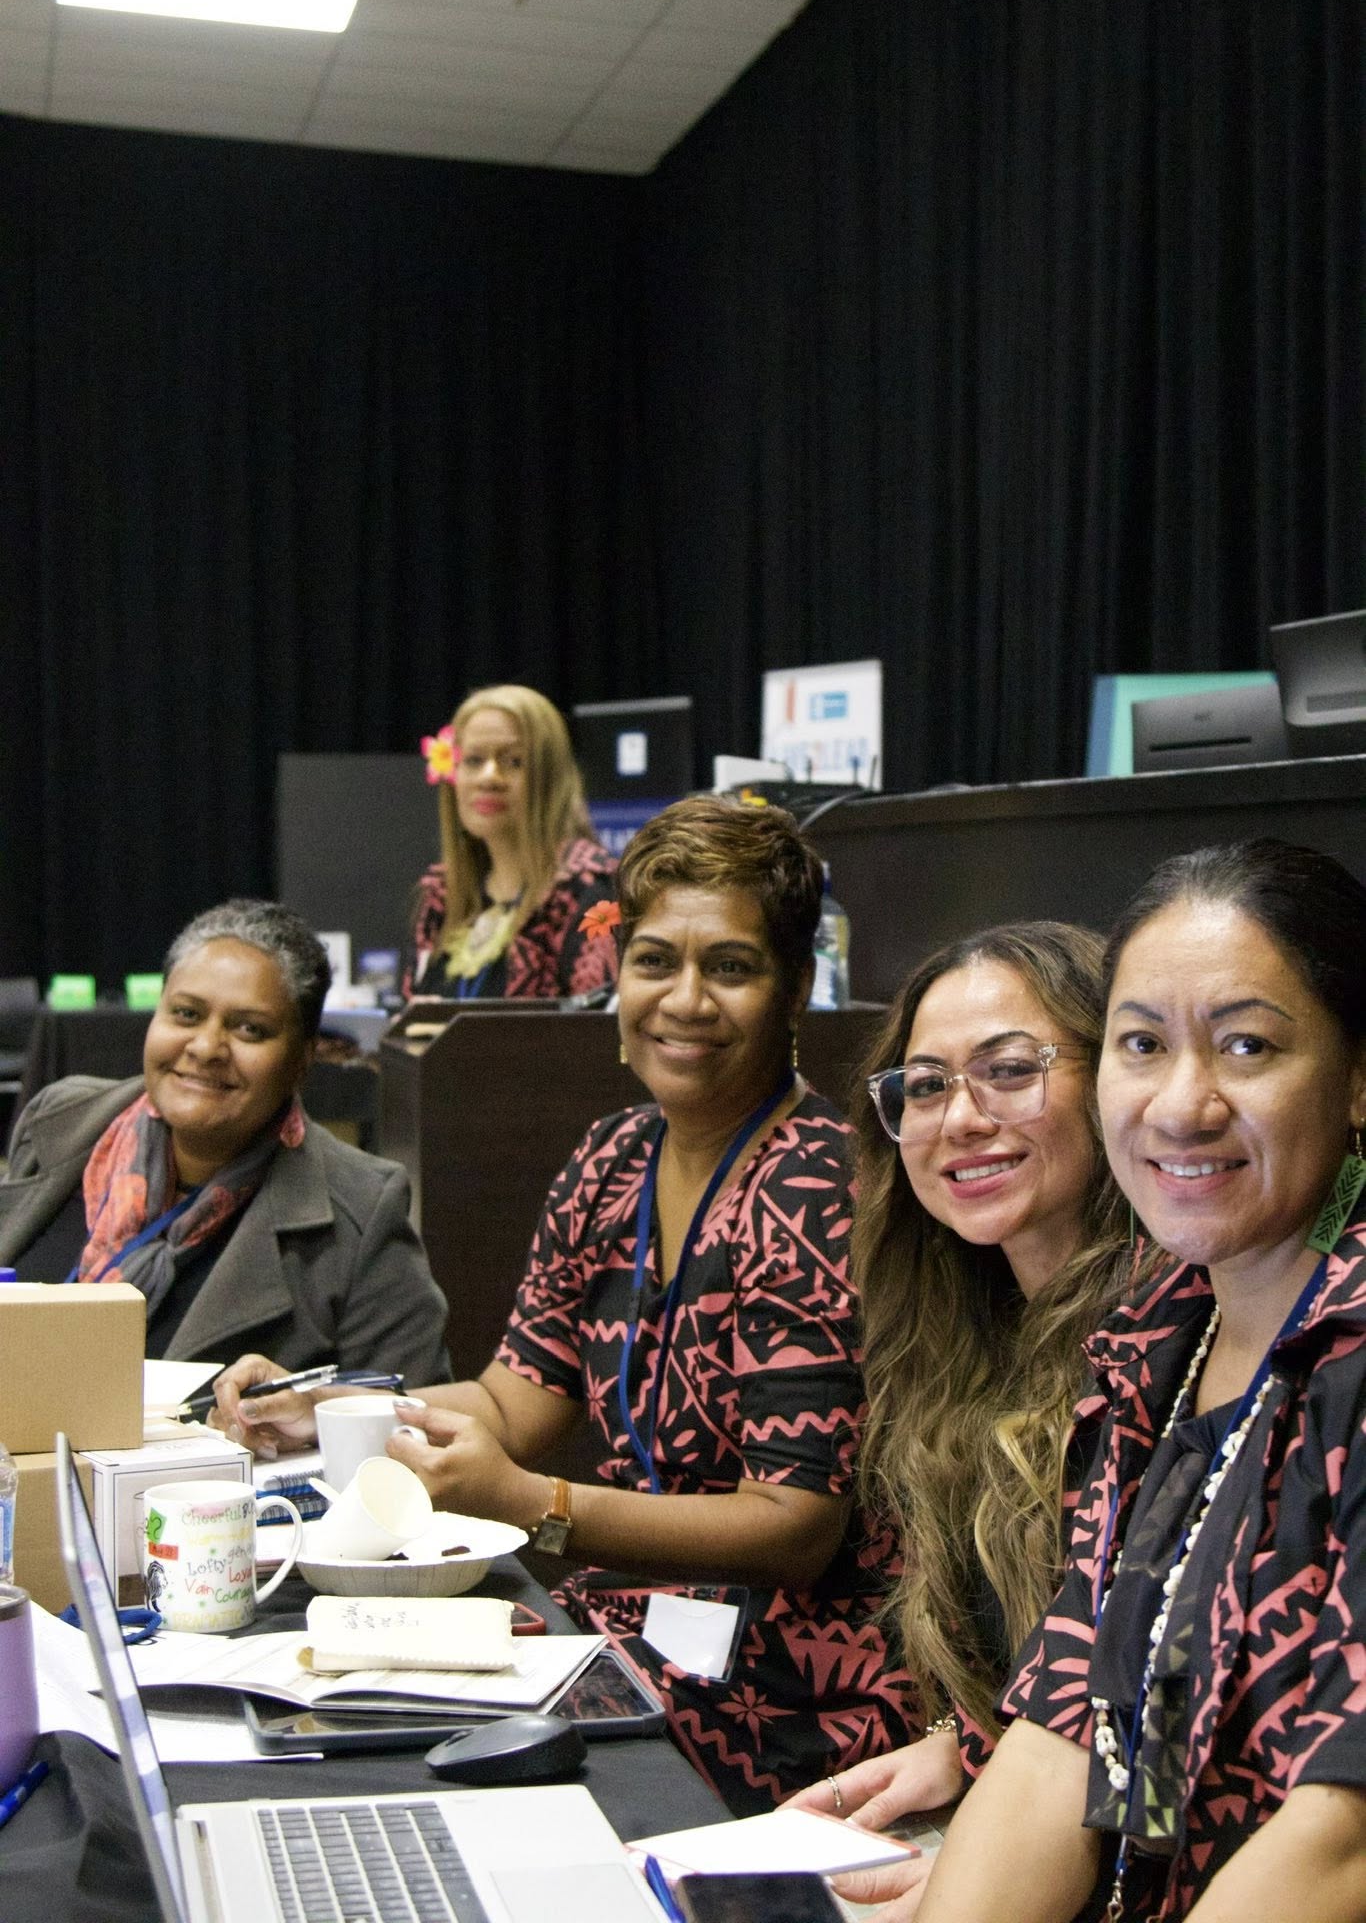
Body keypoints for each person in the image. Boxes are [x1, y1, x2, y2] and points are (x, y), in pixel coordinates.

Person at [215, 797, 914, 1813]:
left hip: (791, 1687)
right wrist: (326, 1409)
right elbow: (517, 1400)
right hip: (633, 1635)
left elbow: (795, 1526)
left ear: (796, 986)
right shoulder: (611, 1158)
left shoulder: (814, 1186)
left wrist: (536, 1509)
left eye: (730, 966)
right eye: (654, 960)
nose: (684, 1000)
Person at [913, 840, 1366, 1923]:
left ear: (1357, 1075)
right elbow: (1070, 1738)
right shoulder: (1156, 1342)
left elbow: (1345, 1834)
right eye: (1142, 1045)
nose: (1180, 1104)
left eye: (1247, 1045)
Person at [790, 924, 1134, 1913]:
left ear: (1121, 1078)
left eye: (1010, 1070)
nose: (962, 1118)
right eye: (927, 1085)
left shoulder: (1181, 1340)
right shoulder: (960, 1336)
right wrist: (967, 1742)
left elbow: (1170, 1712)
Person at [0, 899, 451, 1382]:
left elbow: (402, 1411)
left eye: (249, 1029)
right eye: (186, 1014)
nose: (206, 1048)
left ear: (302, 1060)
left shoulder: (362, 1209)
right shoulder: (60, 1120)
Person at [406, 683, 618, 1000]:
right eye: (474, 760)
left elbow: (600, 1025)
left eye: (514, 762)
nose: (489, 777)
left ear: (551, 777)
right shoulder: (442, 895)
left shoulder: (590, 891)